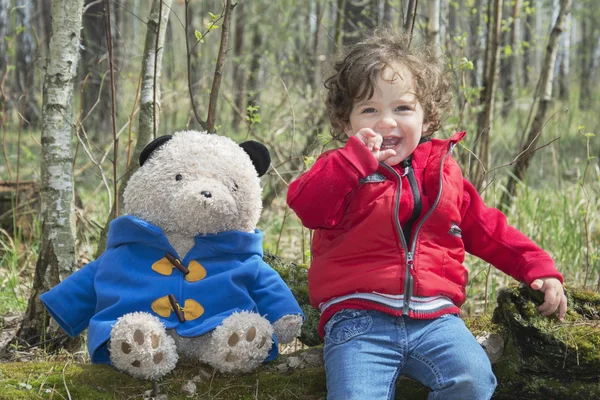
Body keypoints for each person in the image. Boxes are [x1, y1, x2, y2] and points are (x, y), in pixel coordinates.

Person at [286, 29, 567, 400]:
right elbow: (307, 205)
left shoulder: (442, 173)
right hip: (358, 318)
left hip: (437, 319)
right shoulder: (340, 169)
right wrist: (355, 162)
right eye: (369, 110)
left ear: (427, 117)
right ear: (345, 122)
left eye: (402, 108)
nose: (387, 122)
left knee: (473, 379)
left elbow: (487, 229)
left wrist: (537, 266)